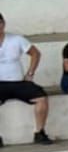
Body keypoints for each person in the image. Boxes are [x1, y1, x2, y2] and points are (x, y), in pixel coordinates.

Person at [0, 15, 52, 143]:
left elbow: (35, 53)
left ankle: (39, 132)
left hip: (19, 82)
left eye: (0, 23)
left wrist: (30, 73)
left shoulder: (16, 39)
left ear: (4, 23)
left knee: (42, 98)